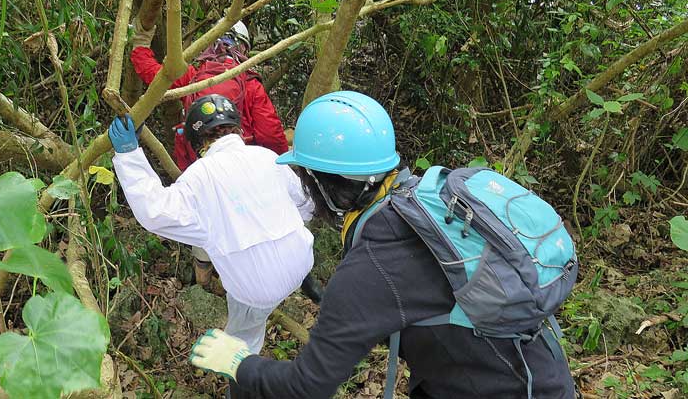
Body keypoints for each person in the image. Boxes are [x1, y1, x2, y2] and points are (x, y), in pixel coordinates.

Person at [188, 91, 577, 399]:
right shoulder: (425, 198)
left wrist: (240, 362)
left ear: (321, 183)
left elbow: (306, 386)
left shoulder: (370, 268)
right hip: (540, 372)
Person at [108, 94, 315, 355]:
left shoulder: (199, 177)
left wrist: (128, 155)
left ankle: (241, 374)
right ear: (237, 129)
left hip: (256, 288)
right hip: (302, 261)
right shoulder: (266, 157)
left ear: (197, 141)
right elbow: (306, 206)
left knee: (244, 336)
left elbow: (154, 211)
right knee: (258, 297)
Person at [130, 20, 290, 288]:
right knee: (238, 218)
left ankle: (203, 280)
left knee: (205, 216)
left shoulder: (192, 77)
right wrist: (278, 164)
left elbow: (154, 76)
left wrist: (140, 46)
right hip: (241, 169)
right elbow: (271, 132)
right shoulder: (249, 83)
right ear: (243, 47)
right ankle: (240, 277)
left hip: (198, 167)